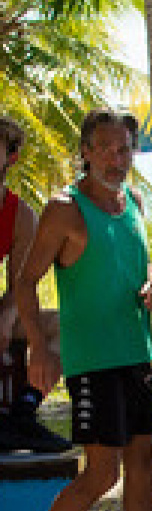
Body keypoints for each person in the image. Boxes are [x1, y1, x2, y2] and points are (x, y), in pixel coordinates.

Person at [11, 108, 152, 511]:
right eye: (104, 149)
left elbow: (142, 267)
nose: (115, 159)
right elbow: (25, 282)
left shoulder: (133, 201)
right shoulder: (64, 209)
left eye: (124, 149)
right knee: (102, 473)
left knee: (144, 463)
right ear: (85, 151)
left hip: (136, 350)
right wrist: (39, 349)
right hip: (93, 361)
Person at [0, 115, 69, 455]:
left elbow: (21, 284)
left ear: (10, 157)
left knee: (69, 326)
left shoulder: (20, 216)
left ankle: (22, 414)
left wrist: (5, 318)